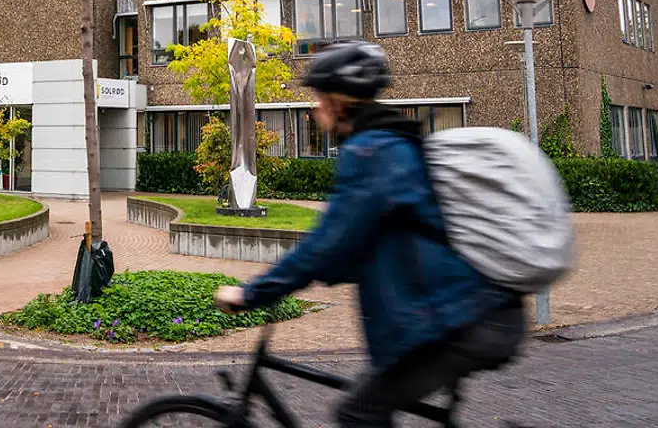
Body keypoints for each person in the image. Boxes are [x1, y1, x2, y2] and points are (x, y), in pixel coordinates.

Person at [214, 41, 526, 427]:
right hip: (458, 314)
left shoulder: (373, 153)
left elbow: (327, 243)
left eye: (319, 97)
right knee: (368, 397)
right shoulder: (386, 145)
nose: (314, 107)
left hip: (462, 320)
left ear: (339, 101)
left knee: (358, 413)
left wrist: (252, 293)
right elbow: (356, 247)